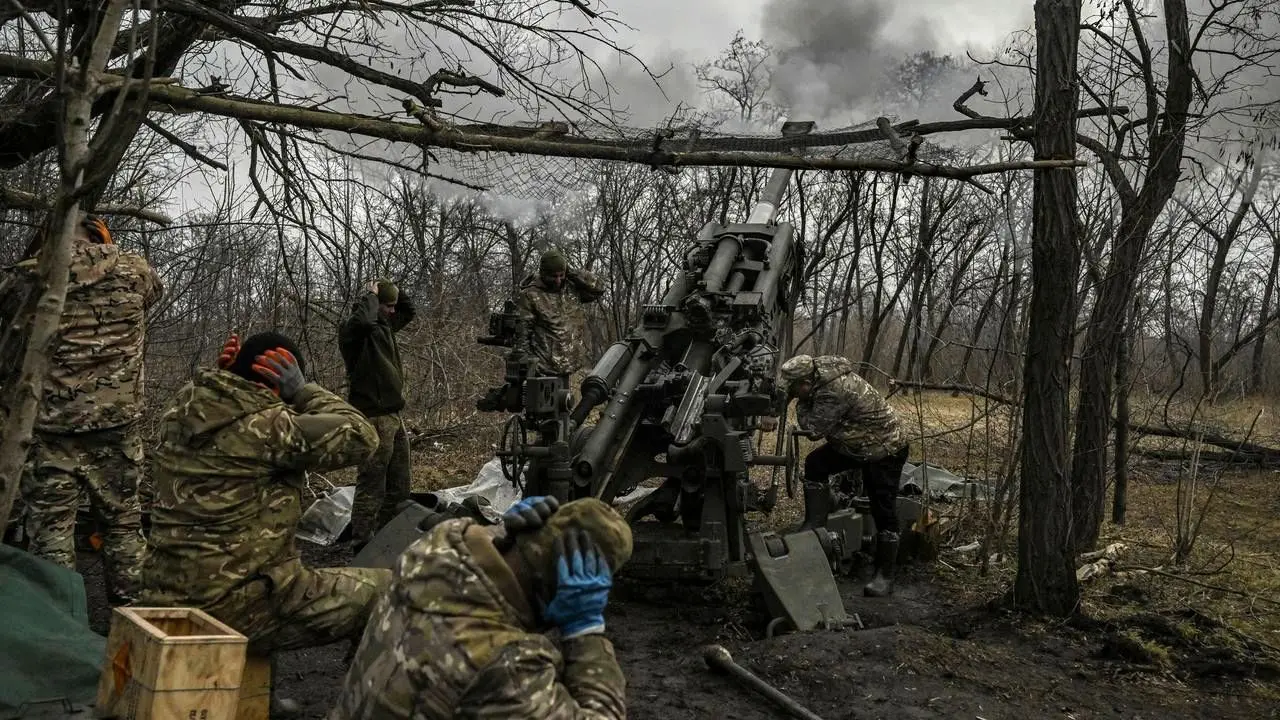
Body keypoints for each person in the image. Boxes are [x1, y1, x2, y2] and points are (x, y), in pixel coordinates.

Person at [138, 331, 388, 660]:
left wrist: (230, 376)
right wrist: (302, 390)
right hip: (229, 606)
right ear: (278, 380)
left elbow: (224, 399)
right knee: (389, 589)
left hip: (162, 594)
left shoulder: (180, 412)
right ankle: (365, 698)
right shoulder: (272, 429)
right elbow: (363, 437)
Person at [329, 496, 632, 720]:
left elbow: (481, 547)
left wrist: (501, 534)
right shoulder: (508, 666)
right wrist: (586, 630)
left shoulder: (438, 546)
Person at [4, 214, 162, 606]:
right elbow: (152, 292)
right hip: (116, 425)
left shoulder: (30, 278)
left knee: (50, 534)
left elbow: (8, 312)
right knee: (123, 525)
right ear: (100, 234)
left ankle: (62, 631)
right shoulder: (135, 271)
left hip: (50, 429)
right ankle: (135, 628)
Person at [778, 354, 909, 597]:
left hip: (884, 449)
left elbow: (813, 429)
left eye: (795, 390)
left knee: (883, 509)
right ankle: (815, 524)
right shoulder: (819, 377)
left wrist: (800, 404)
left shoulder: (833, 391)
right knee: (815, 464)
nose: (793, 394)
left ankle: (885, 576)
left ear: (807, 382)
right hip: (855, 443)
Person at [339, 279, 417, 550]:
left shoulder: (385, 326)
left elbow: (409, 310)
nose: (393, 311)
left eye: (393, 306)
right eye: (387, 306)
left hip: (394, 415)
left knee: (399, 481)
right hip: (372, 416)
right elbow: (362, 322)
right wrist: (371, 297)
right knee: (372, 482)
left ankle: (389, 537)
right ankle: (362, 542)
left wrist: (393, 286)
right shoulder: (356, 332)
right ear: (374, 305)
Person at [515, 248, 605, 380]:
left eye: (561, 275)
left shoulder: (571, 288)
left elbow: (600, 288)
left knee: (567, 400)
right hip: (544, 371)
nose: (558, 281)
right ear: (543, 273)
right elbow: (522, 336)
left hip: (570, 367)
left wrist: (570, 272)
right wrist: (531, 366)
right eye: (553, 276)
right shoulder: (530, 295)